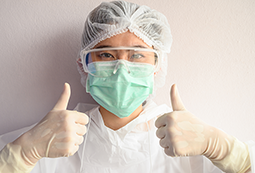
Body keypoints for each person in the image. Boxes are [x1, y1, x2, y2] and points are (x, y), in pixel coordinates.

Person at [0, 1, 254, 172]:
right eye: (107, 55)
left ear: (158, 65)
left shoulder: (194, 144)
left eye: (136, 55)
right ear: (83, 64)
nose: (121, 69)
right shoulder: (48, 143)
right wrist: (20, 155)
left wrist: (231, 154)